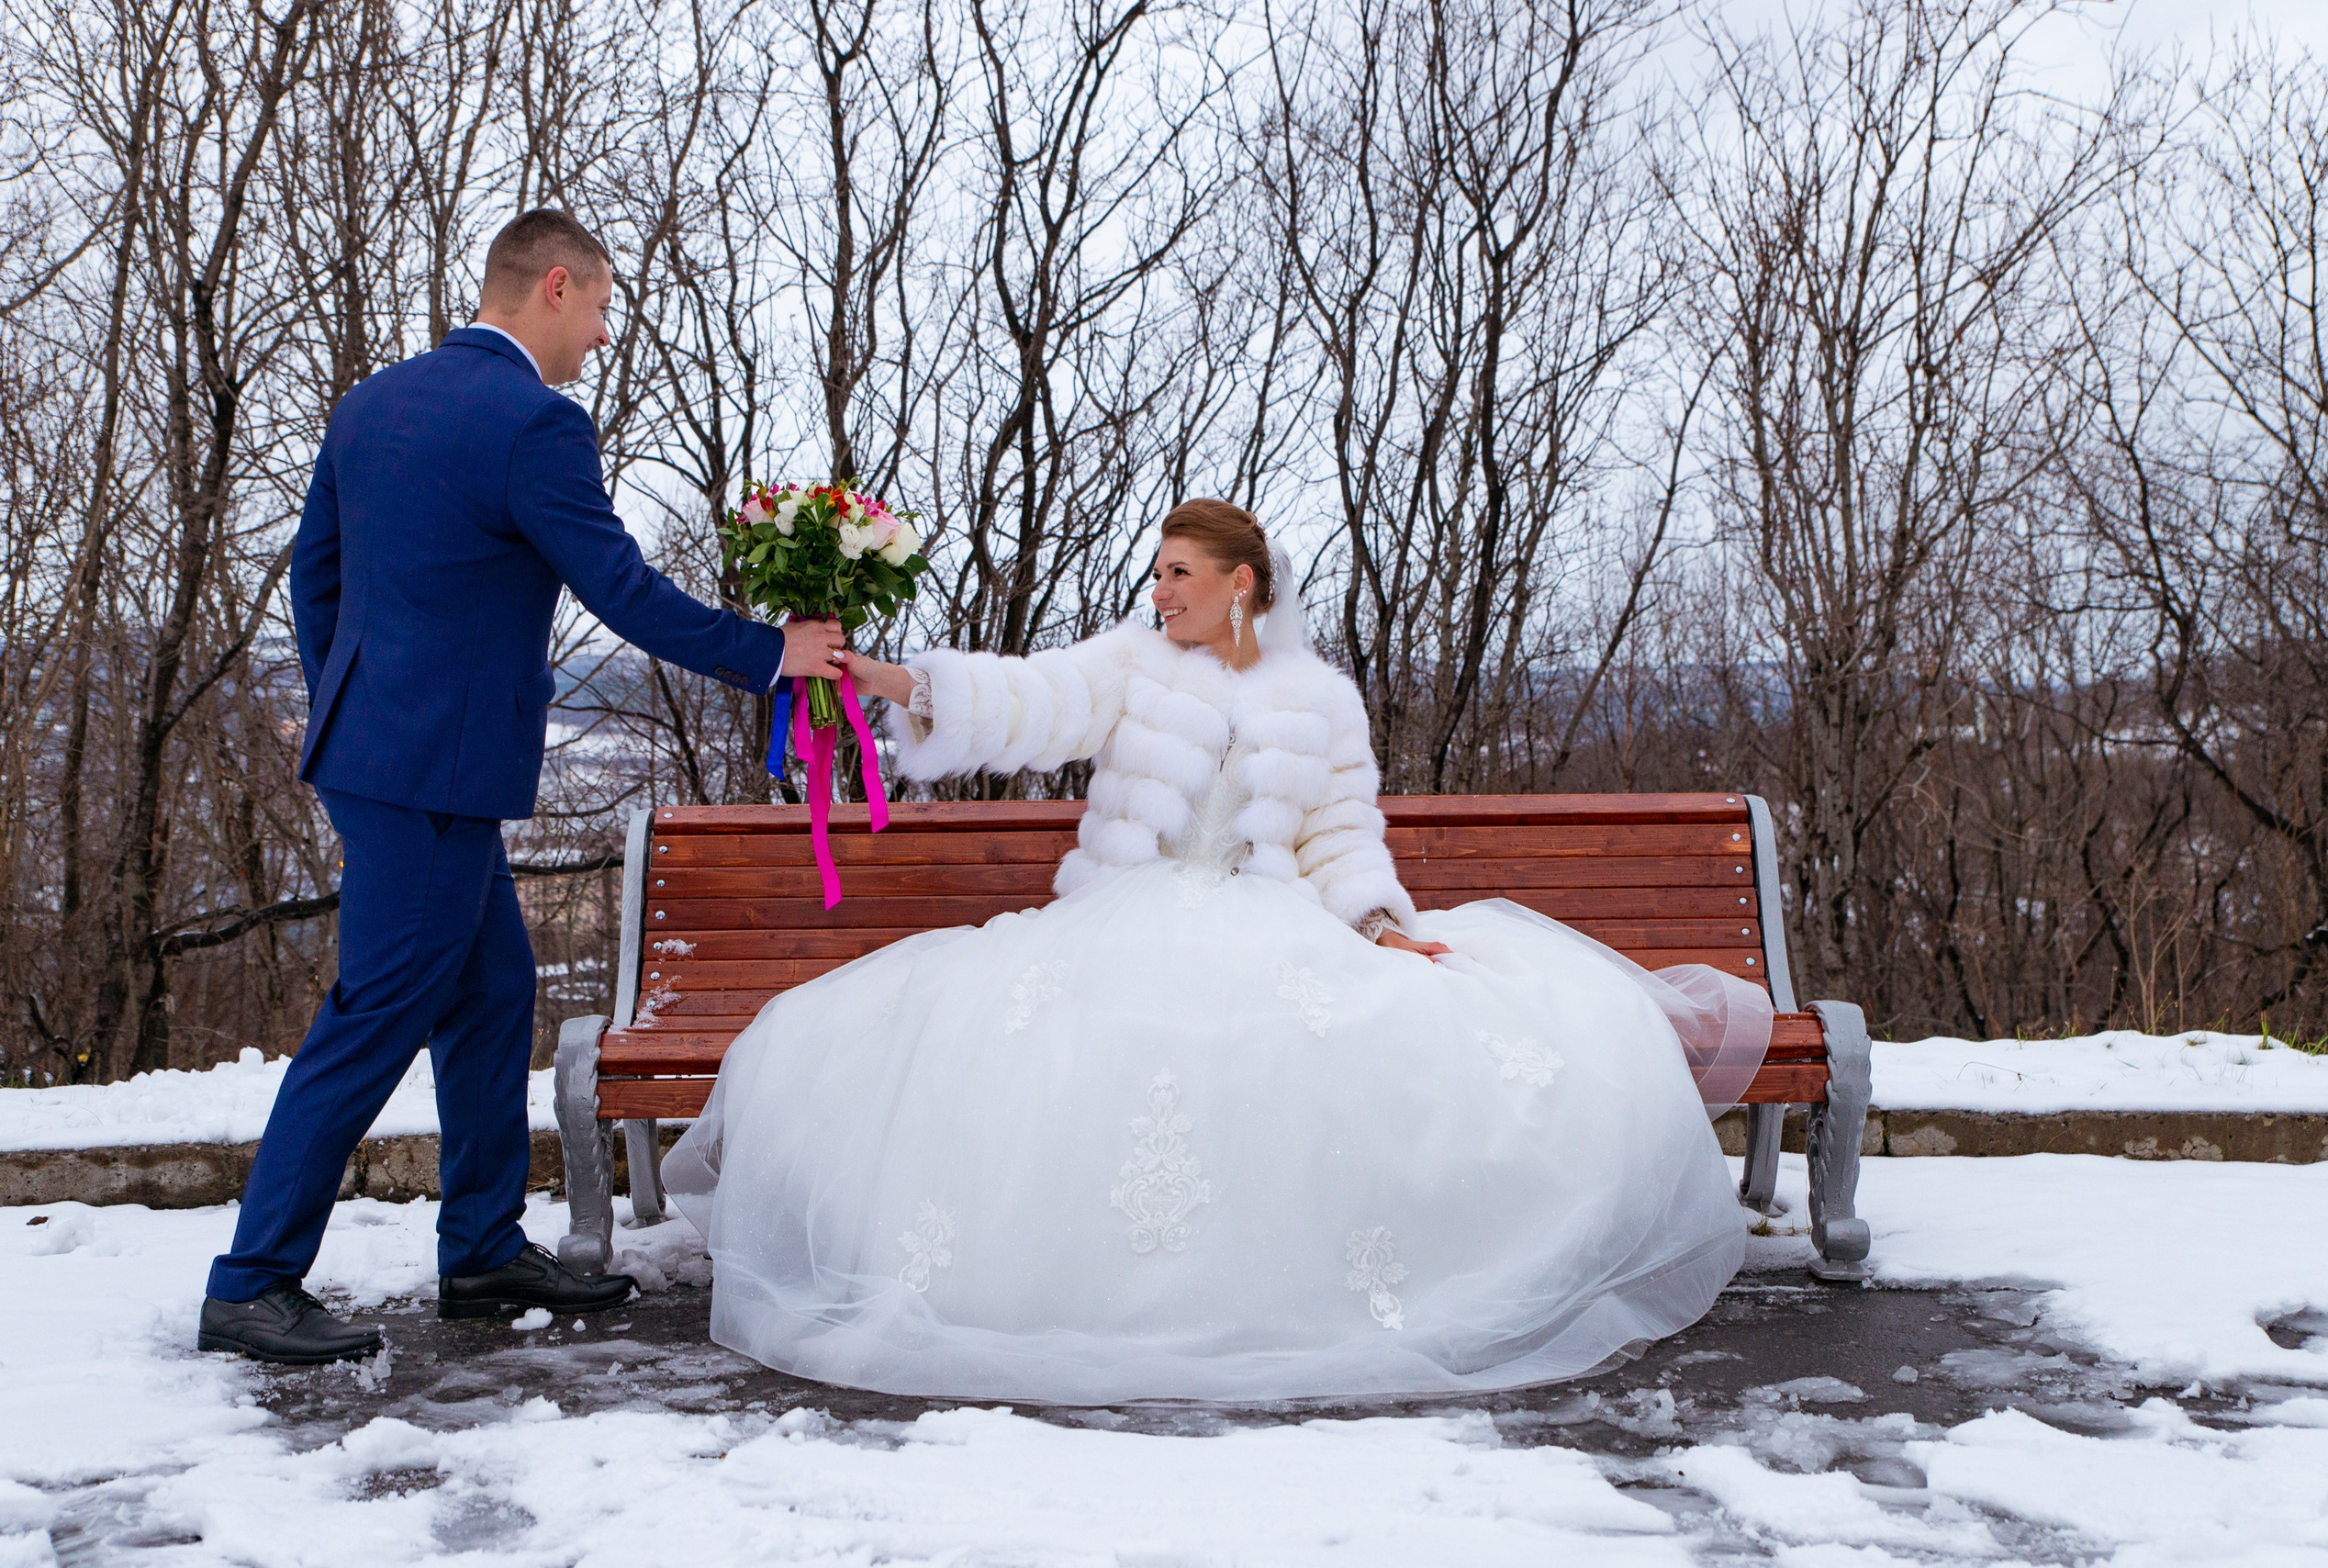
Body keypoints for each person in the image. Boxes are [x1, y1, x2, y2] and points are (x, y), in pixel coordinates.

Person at [659, 498, 1772, 1403]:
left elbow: (1338, 834)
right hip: (1124, 916)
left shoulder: (1317, 700)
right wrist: (905, 683)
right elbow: (1027, 702)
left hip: (1270, 922)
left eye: (1181, 572)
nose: (1161, 591)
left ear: (1242, 580)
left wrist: (1382, 927)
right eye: (1156, 573)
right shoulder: (1133, 663)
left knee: (1353, 1044)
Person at [198, 209, 847, 1364]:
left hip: (380, 758)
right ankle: (252, 1279)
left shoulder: (372, 403)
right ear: (553, 286)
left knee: (494, 990)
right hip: (433, 774)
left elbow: (316, 577)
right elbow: (622, 587)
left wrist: (357, 703)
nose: (600, 335)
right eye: (599, 308)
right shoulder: (534, 425)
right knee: (376, 1013)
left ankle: (482, 1248)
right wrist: (771, 653)